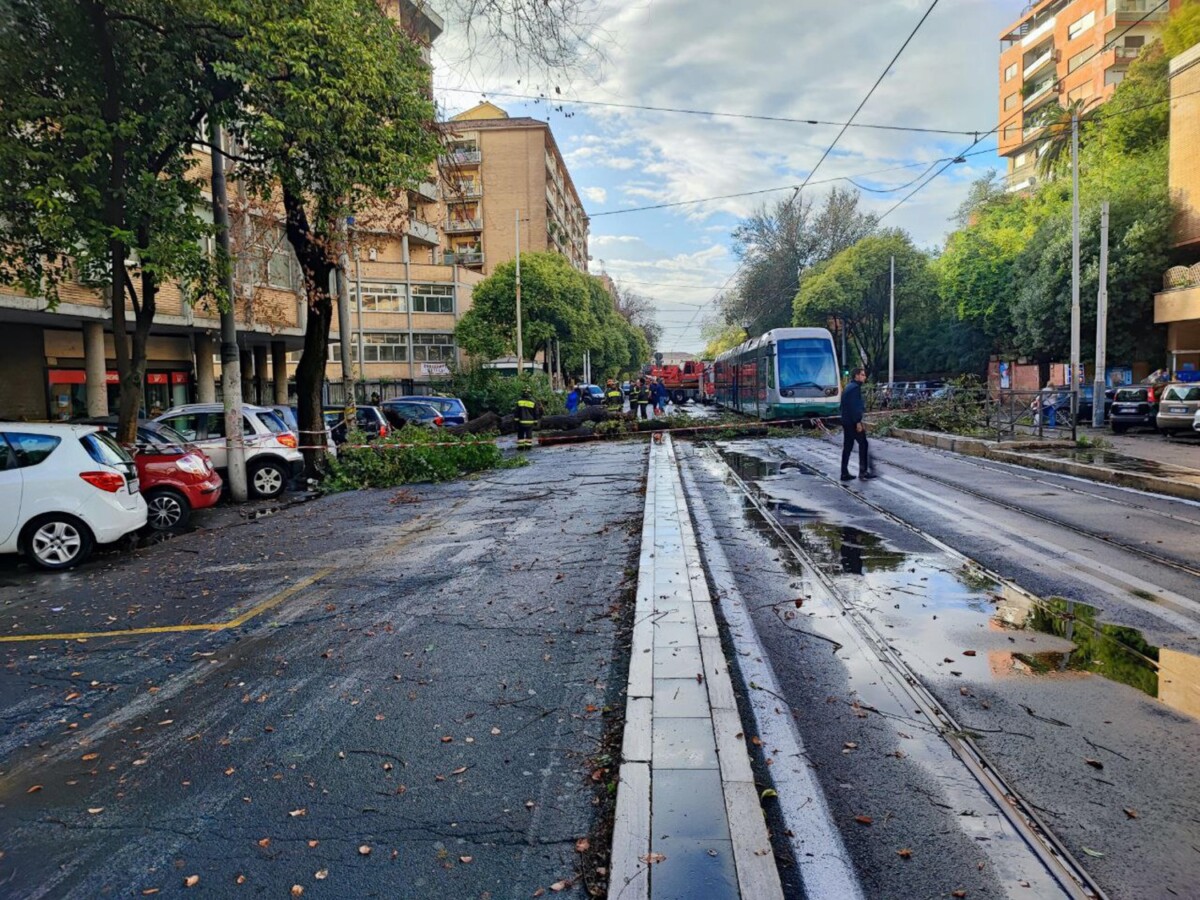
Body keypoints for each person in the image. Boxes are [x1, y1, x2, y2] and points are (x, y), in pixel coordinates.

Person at [840, 367, 874, 481]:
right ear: (857, 376)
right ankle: (863, 472)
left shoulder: (848, 387)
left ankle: (844, 472)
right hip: (852, 422)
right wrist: (858, 422)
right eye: (863, 375)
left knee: (848, 447)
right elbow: (855, 407)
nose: (865, 377)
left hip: (846, 421)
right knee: (863, 444)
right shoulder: (855, 388)